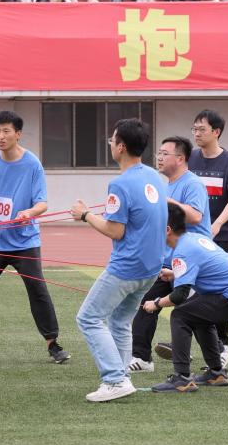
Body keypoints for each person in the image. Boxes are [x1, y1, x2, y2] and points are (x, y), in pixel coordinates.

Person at [71, 118, 167, 402]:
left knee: (88, 318)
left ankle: (114, 379)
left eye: (112, 140)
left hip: (127, 267)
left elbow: (115, 230)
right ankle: (122, 376)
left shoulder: (120, 183)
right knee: (120, 320)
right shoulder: (153, 176)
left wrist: (85, 215)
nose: (110, 144)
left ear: (121, 146)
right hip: (151, 266)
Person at [0, 111, 69, 364]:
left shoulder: (32, 164)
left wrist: (29, 213)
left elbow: (42, 203)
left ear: (18, 134)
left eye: (6, 131)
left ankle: (53, 344)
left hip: (25, 241)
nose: (0, 136)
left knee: (38, 290)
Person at [157, 109, 228, 366]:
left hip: (221, 234)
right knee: (189, 288)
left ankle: (222, 344)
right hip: (191, 237)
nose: (196, 133)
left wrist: (217, 224)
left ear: (216, 132)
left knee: (219, 290)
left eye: (201, 129)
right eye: (194, 129)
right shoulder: (191, 157)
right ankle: (187, 343)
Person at [144, 204, 228, 393]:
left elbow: (179, 296)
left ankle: (182, 378)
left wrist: (156, 304)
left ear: (167, 230)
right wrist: (175, 274)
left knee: (180, 314)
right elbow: (204, 266)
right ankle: (217, 373)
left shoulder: (182, 250)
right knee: (198, 315)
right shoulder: (193, 238)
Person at [128, 136, 211, 373]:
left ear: (181, 158)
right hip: (168, 261)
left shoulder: (192, 183)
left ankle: (216, 361)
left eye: (165, 153)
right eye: (159, 153)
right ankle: (142, 358)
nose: (159, 157)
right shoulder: (165, 185)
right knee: (145, 303)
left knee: (192, 313)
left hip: (191, 260)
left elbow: (195, 216)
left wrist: (166, 201)